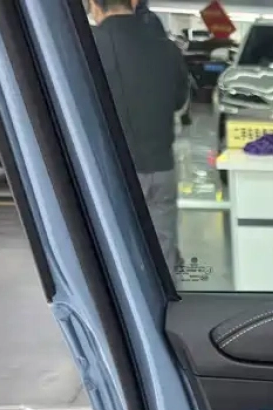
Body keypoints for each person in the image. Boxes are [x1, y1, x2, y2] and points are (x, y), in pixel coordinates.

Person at [89, 0, 188, 271]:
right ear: (134, 2)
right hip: (161, 167)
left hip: (112, 172)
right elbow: (179, 101)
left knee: (115, 256)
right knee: (163, 254)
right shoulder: (167, 49)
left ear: (94, 5)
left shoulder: (86, 49)